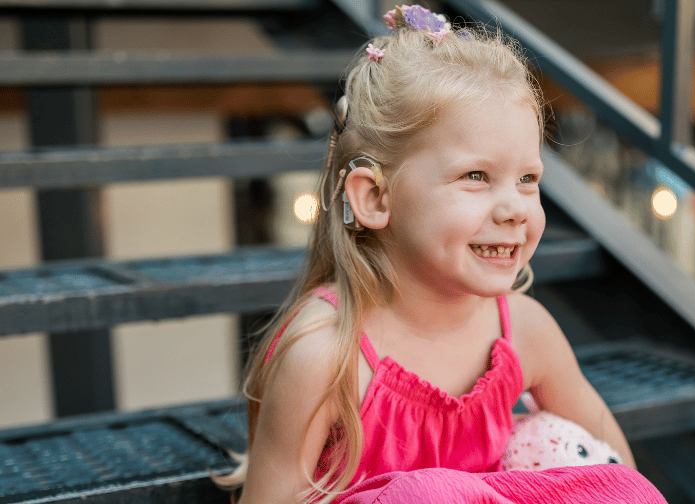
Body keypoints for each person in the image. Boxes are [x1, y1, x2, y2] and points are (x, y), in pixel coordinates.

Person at [215, 5, 666, 503]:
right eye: (475, 176)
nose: (515, 208)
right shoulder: (325, 356)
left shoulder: (525, 330)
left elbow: (616, 475)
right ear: (375, 198)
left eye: (528, 179)